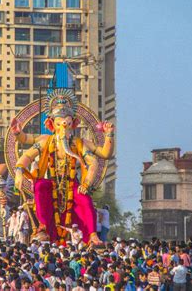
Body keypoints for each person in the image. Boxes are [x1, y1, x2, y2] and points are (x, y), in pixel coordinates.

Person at [12, 89, 115, 244]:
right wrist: (19, 171)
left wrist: (109, 135)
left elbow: (102, 155)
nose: (63, 129)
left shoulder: (78, 143)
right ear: (52, 124)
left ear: (73, 124)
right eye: (59, 124)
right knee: (39, 186)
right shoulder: (46, 141)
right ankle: (43, 227)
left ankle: (92, 234)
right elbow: (26, 151)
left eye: (67, 124)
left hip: (72, 184)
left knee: (84, 199)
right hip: (51, 184)